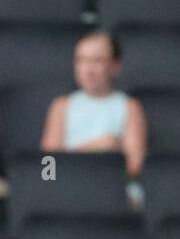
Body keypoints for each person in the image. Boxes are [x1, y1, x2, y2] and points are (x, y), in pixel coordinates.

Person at [40, 30, 147, 179]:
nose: (88, 69)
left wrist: (72, 155)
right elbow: (48, 165)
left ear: (115, 66)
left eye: (97, 61)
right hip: (67, 184)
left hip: (111, 186)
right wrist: (97, 148)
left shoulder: (130, 107)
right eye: (81, 60)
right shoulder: (62, 105)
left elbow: (134, 165)